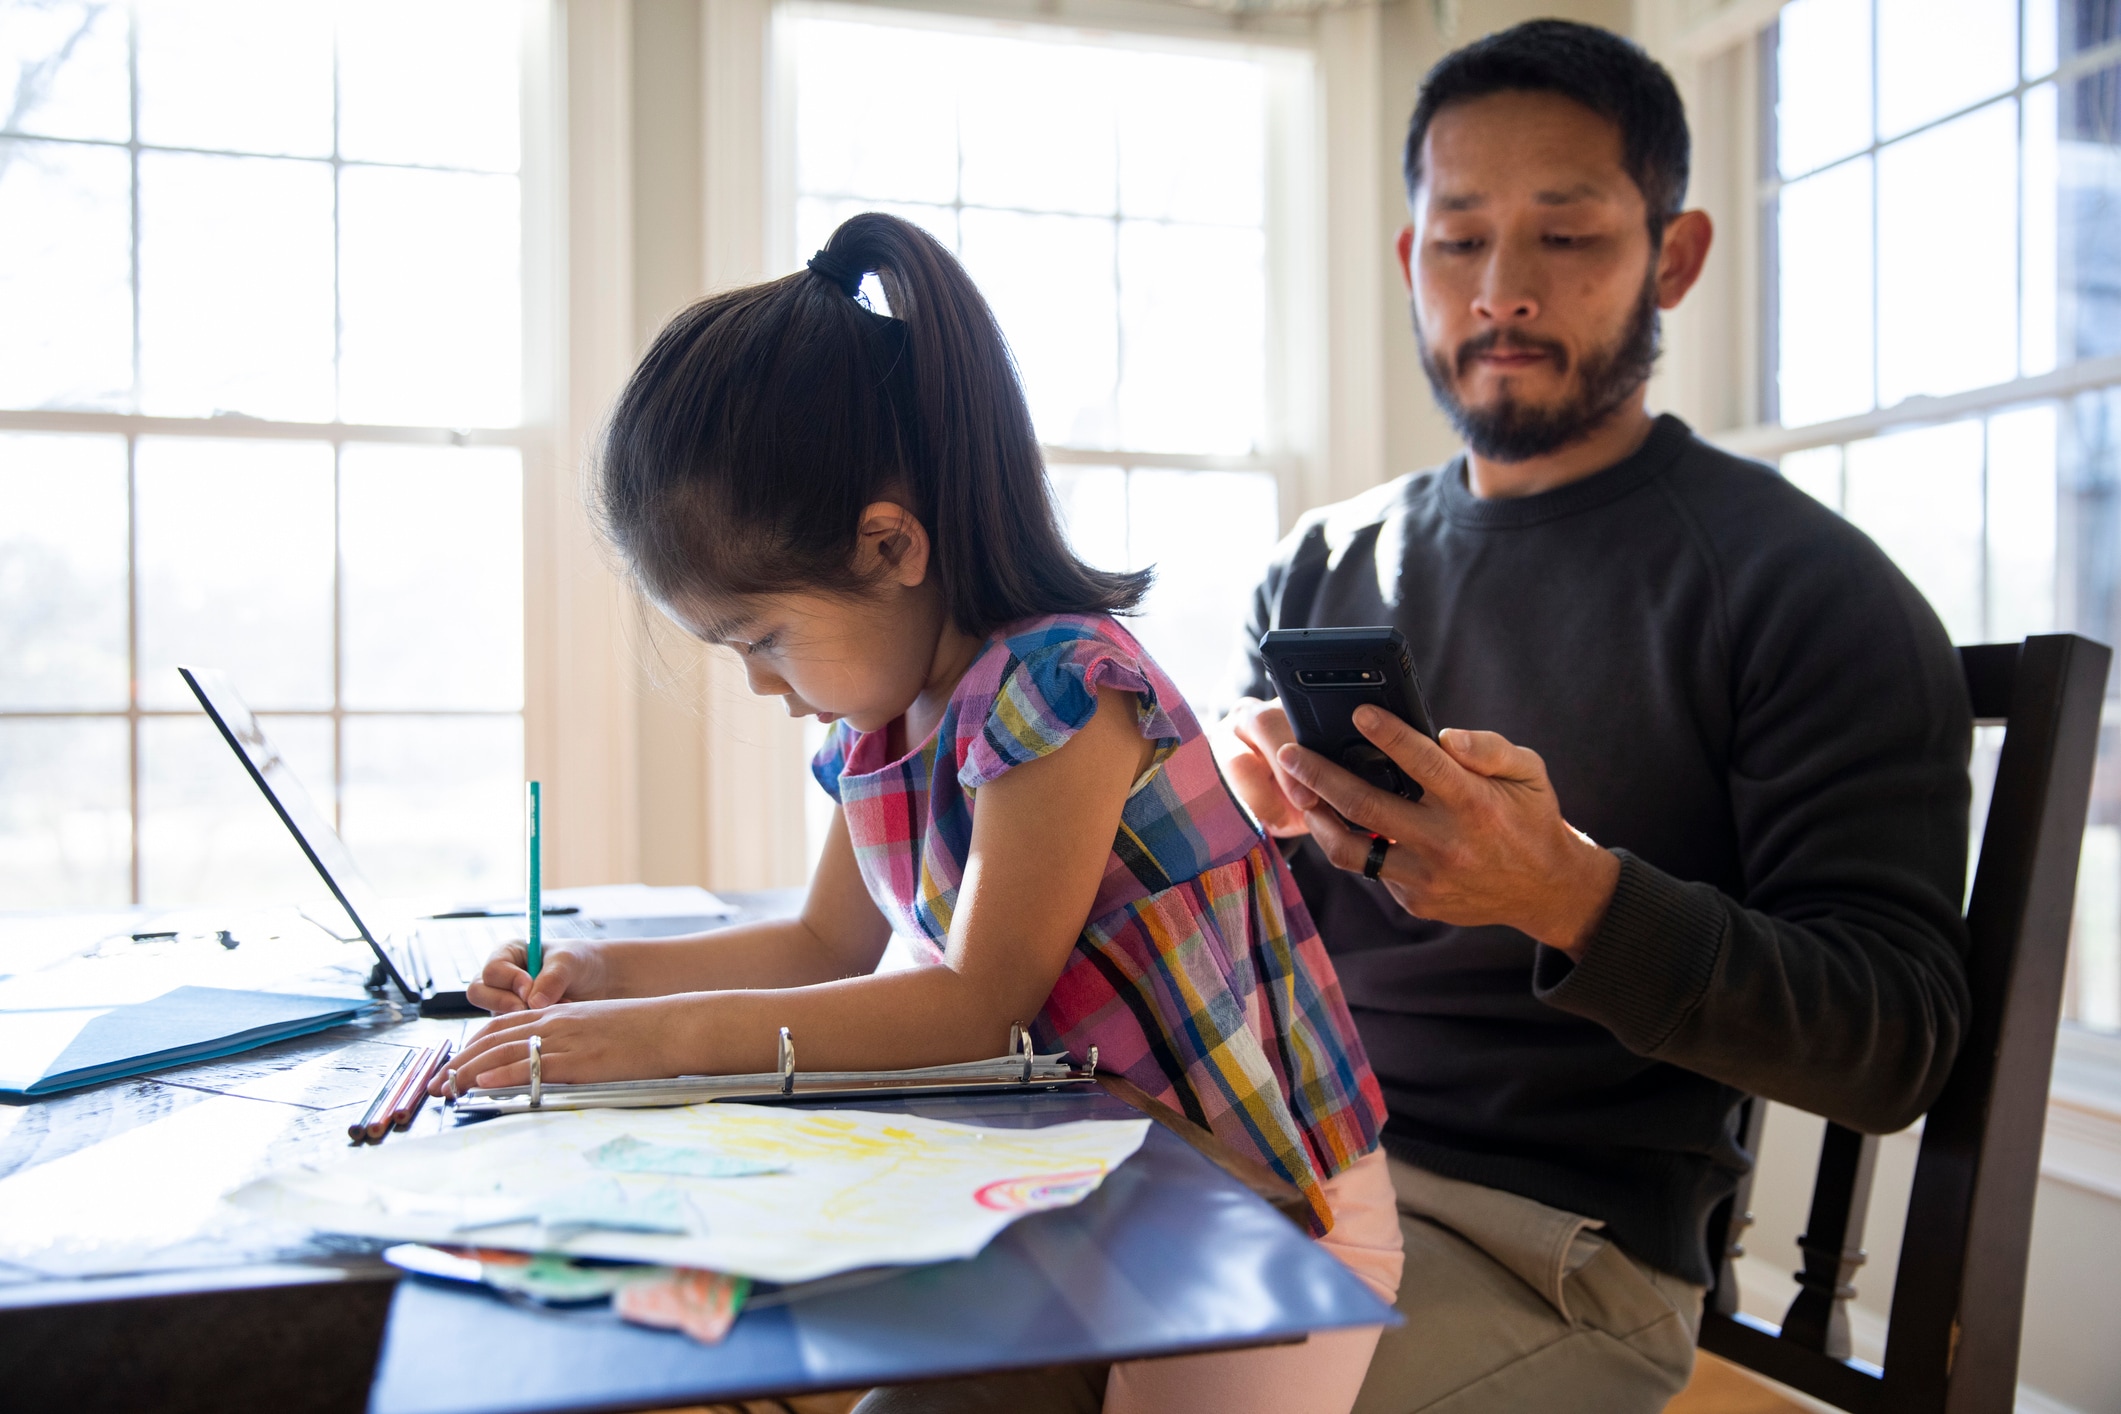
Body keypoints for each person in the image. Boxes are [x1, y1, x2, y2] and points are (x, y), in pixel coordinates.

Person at [438, 211, 1402, 1414]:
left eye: (767, 639)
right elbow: (819, 945)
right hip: (1086, 1187)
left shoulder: (1061, 688)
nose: (762, 687)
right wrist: (603, 975)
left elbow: (971, 1002)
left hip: (1261, 1210)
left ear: (891, 544)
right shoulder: (879, 725)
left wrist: (654, 1043)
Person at [1212, 20, 1972, 1413]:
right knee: (949, 1371)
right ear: (1408, 264)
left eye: (1564, 237)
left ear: (1671, 256)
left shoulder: (1804, 588)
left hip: (1559, 1252)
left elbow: (1897, 1036)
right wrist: (1226, 836)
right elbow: (1242, 958)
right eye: (1459, 240)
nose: (1501, 290)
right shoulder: (1323, 563)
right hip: (1285, 1177)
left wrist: (1569, 893)